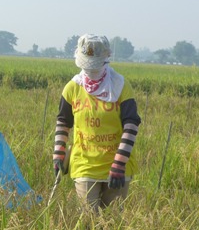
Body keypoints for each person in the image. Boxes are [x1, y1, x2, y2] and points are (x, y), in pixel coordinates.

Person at [53, 34, 142, 211]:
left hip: (116, 165)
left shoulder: (120, 86)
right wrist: (58, 154)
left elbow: (131, 126)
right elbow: (63, 122)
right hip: (84, 162)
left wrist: (119, 163)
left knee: (113, 222)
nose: (91, 71)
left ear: (105, 59)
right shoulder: (73, 87)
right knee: (88, 220)